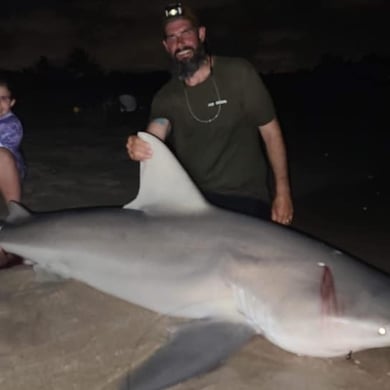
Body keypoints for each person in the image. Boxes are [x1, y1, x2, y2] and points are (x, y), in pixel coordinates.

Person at [126, 2, 294, 225]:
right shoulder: (166, 96)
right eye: (173, 37)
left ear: (201, 34)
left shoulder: (239, 73)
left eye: (186, 33)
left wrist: (282, 193)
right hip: (192, 198)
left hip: (245, 197)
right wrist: (140, 143)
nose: (180, 42)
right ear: (166, 46)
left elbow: (271, 132)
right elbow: (157, 131)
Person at [0, 78, 25, 268]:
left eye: (3, 98)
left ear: (12, 102)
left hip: (9, 171)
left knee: (1, 156)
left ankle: (15, 218)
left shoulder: (12, 124)